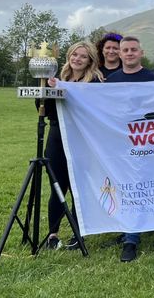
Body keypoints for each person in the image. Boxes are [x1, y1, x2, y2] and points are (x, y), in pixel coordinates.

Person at [43, 41, 104, 250]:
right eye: (74, 55)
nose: (77, 59)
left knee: (80, 187)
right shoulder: (58, 79)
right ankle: (52, 234)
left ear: (90, 60)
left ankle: (78, 233)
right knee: (57, 186)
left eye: (83, 56)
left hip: (81, 140)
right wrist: (48, 89)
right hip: (56, 138)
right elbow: (45, 111)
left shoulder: (95, 82)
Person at [105, 36, 154, 262]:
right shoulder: (111, 81)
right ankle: (126, 229)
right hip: (118, 144)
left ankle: (131, 239)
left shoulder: (153, 79)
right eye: (125, 50)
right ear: (119, 54)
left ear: (141, 53)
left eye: (133, 50)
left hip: (144, 143)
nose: (129, 53)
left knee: (137, 186)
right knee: (121, 186)